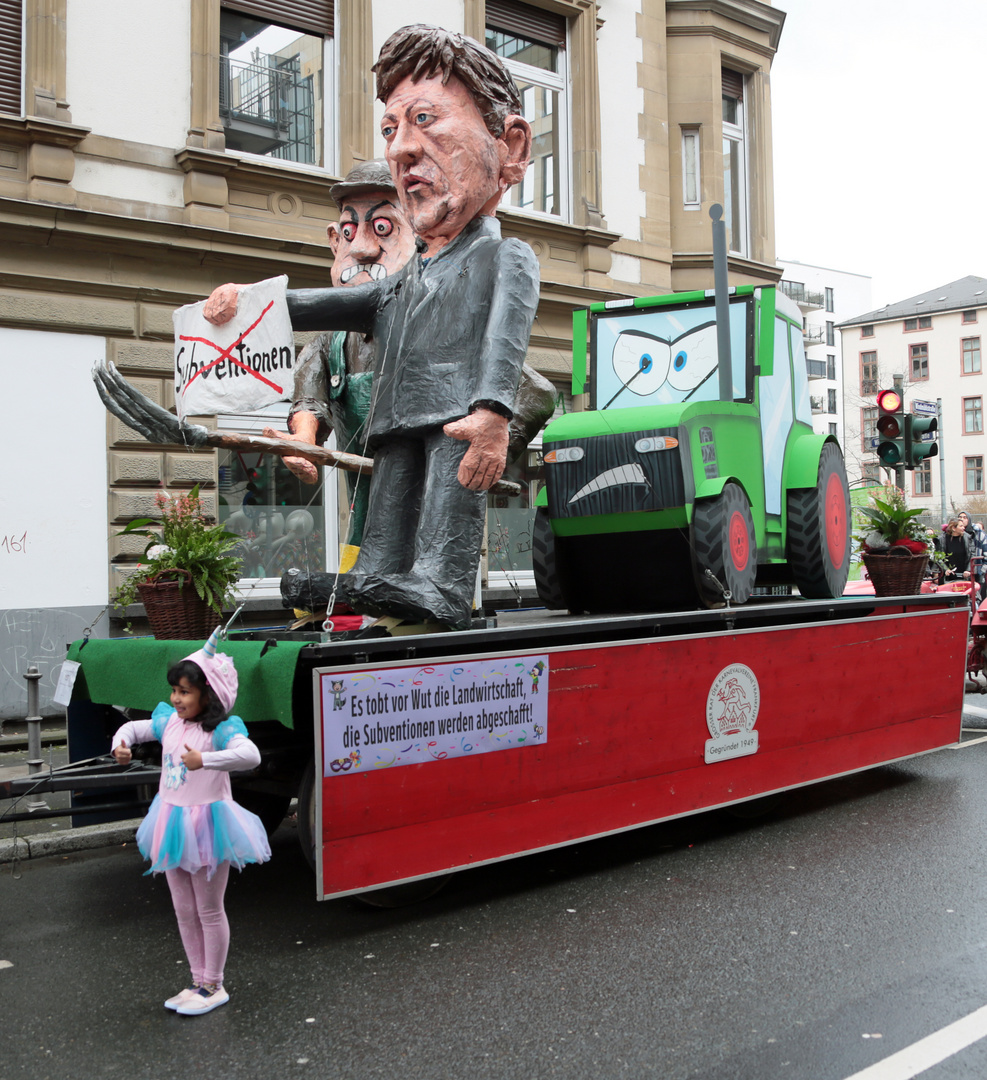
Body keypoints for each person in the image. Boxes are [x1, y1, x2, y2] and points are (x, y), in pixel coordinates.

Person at [204, 25, 540, 630]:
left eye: (427, 120)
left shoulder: (504, 257)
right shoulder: (401, 282)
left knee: (444, 514)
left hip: (456, 422)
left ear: (509, 147)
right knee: (385, 522)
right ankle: (377, 580)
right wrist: (252, 303)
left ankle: (439, 583)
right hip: (394, 423)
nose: (403, 150)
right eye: (392, 130)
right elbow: (321, 306)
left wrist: (492, 418)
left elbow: (507, 342)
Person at [111, 629, 270, 1016]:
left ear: (208, 695)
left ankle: (214, 984)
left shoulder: (221, 730)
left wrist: (207, 759)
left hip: (209, 826)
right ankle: (197, 980)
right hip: (170, 821)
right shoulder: (170, 722)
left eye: (184, 692)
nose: (175, 698)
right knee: (183, 909)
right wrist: (120, 743)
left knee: (209, 909)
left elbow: (250, 756)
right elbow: (134, 728)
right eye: (175, 691)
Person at [942, 518, 974, 582]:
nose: (963, 528)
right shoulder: (943, 539)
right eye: (961, 526)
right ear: (953, 528)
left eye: (963, 526)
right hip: (948, 576)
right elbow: (939, 557)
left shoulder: (968, 538)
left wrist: (968, 570)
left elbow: (972, 554)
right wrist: (945, 569)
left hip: (965, 574)